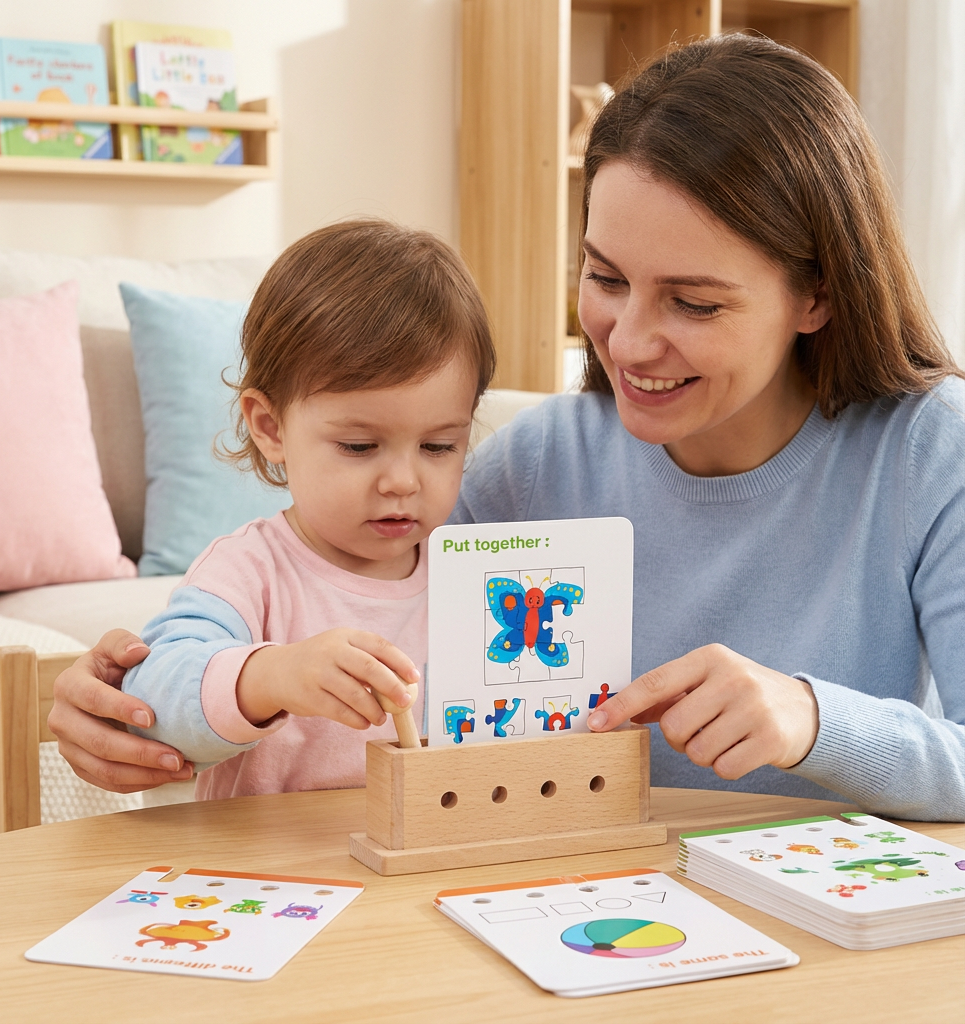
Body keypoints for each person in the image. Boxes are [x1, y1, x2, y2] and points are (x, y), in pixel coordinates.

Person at [49, 35, 964, 820]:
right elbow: (349, 596)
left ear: (819, 293)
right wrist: (135, 693)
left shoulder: (930, 454)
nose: (630, 342)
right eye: (605, 278)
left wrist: (810, 717)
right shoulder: (534, 465)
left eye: (691, 301)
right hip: (561, 905)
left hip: (828, 938)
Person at [86, 219, 494, 798]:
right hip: (275, 877)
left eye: (439, 446)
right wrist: (271, 676)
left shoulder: (471, 570)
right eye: (359, 446)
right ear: (270, 427)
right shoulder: (249, 571)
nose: (403, 481)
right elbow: (152, 698)